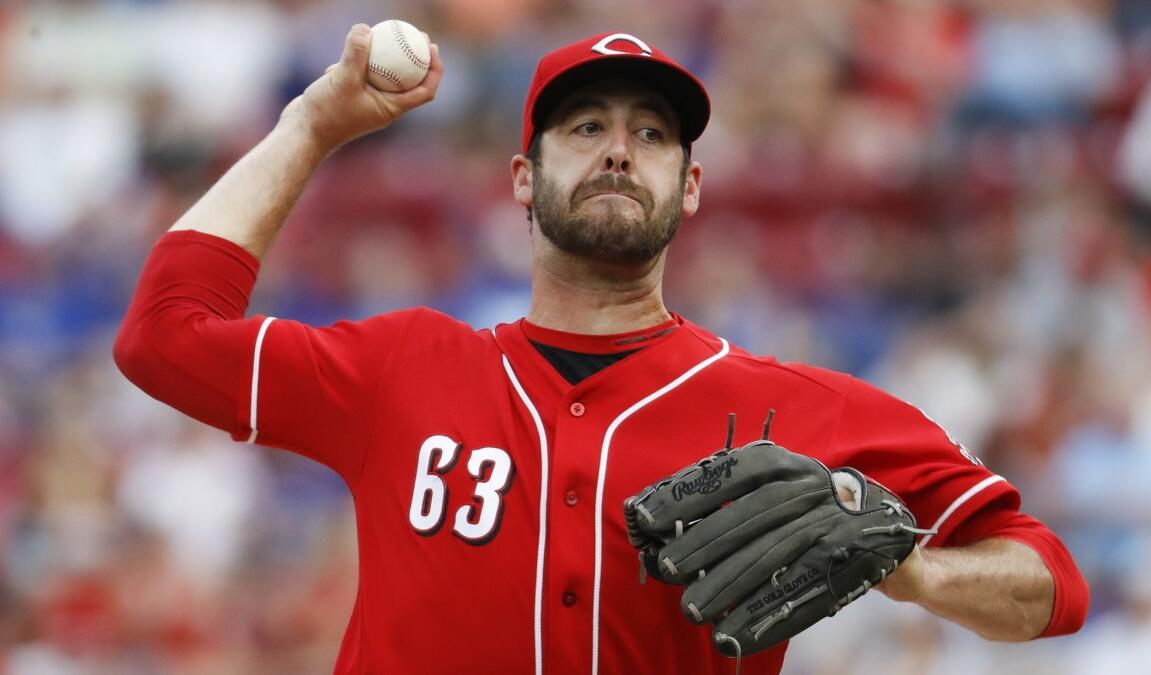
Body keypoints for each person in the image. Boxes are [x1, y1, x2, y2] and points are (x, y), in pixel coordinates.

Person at [114, 26, 1089, 675]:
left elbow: (1051, 585)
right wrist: (314, 124)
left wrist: (912, 572)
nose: (619, 149)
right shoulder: (403, 368)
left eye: (652, 134)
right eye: (586, 127)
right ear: (521, 178)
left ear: (693, 185)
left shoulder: (800, 409)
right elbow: (165, 336)